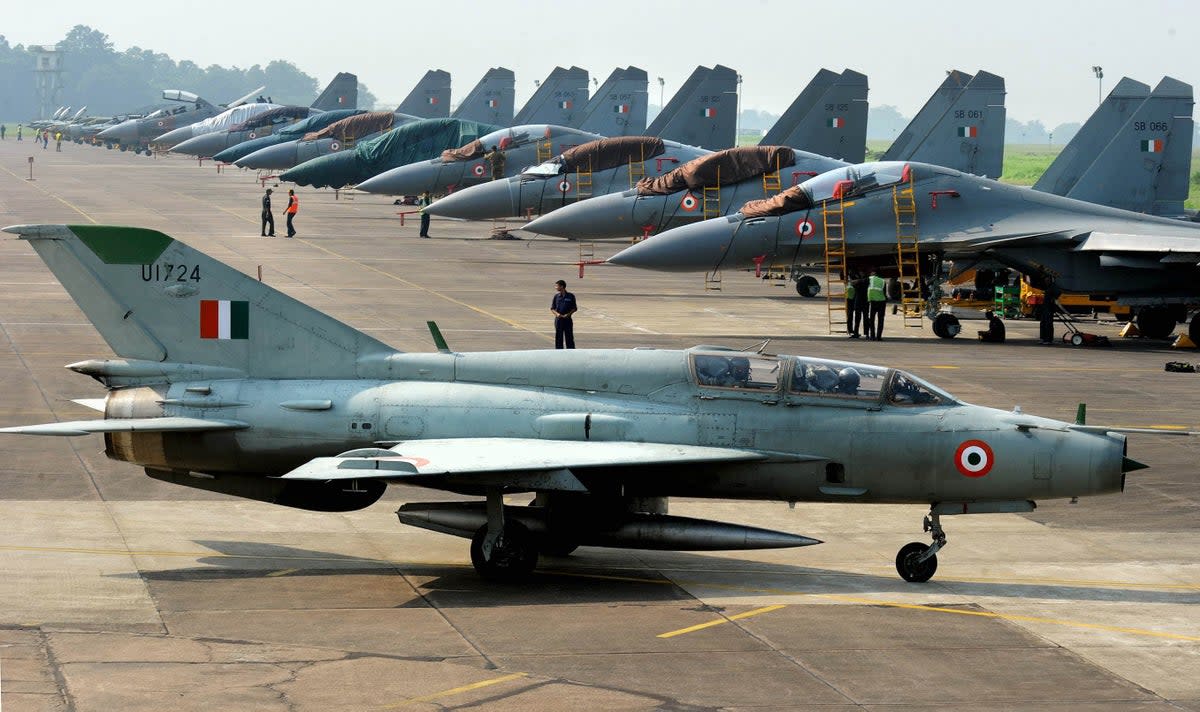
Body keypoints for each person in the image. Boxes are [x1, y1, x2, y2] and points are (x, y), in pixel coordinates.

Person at [550, 279, 577, 349]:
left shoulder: (571, 296)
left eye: (557, 286)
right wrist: (557, 314)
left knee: (569, 336)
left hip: (567, 319)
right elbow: (552, 308)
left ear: (562, 286)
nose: (556, 288)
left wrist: (568, 314)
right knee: (559, 336)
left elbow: (574, 308)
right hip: (559, 320)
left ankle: (571, 350)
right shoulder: (556, 297)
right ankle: (559, 350)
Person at [867, 268, 887, 340]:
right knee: (881, 320)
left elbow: (861, 282)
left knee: (872, 320)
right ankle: (879, 337)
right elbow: (884, 293)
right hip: (882, 302)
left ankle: (872, 336)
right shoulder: (883, 281)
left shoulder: (870, 278)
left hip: (873, 302)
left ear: (873, 273)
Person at [853, 272, 871, 339]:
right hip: (865, 302)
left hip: (858, 302)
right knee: (865, 318)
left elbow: (853, 284)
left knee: (857, 319)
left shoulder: (857, 282)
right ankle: (866, 333)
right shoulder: (867, 282)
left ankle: (856, 333)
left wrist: (858, 281)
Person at [844, 271, 858, 338]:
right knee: (852, 315)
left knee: (850, 315)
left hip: (849, 298)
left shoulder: (848, 281)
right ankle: (851, 330)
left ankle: (850, 330)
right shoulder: (853, 281)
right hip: (852, 298)